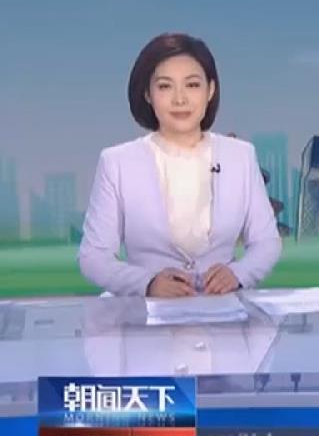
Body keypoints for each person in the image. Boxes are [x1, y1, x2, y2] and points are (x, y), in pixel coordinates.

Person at [78, 33, 281, 297]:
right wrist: (147, 283)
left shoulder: (240, 156)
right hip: (146, 313)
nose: (180, 99)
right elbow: (93, 256)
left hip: (222, 308)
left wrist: (238, 273)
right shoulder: (117, 163)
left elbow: (266, 242)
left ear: (210, 90)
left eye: (192, 85)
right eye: (165, 86)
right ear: (148, 94)